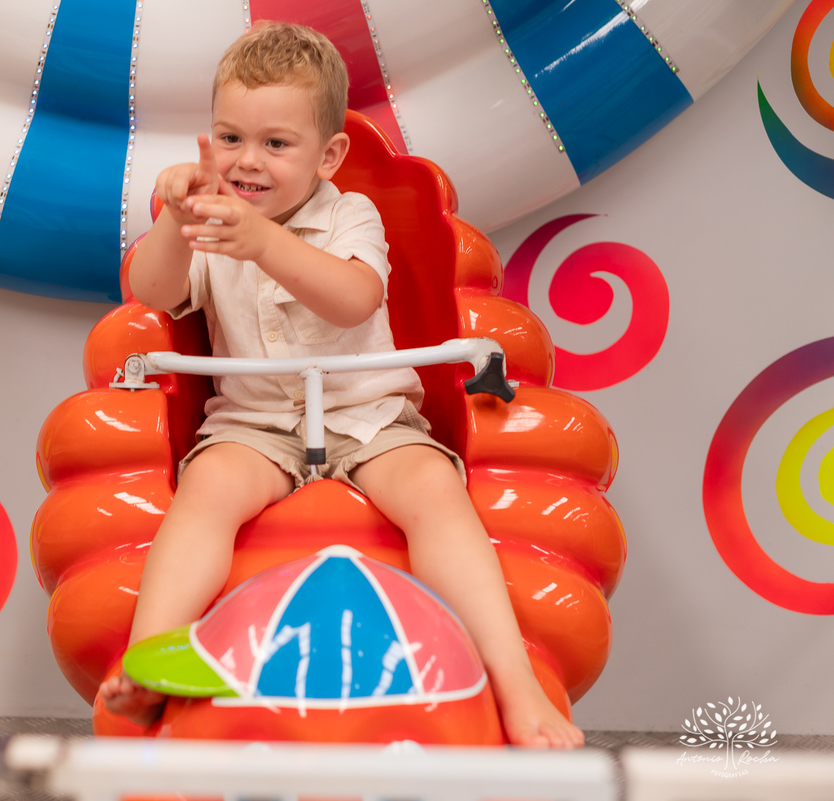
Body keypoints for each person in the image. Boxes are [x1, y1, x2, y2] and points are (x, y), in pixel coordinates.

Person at [100, 21, 584, 749]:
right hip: (254, 427)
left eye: (275, 144)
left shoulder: (350, 214)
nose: (247, 162)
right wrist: (174, 218)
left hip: (370, 417)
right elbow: (154, 290)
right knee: (204, 495)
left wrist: (265, 241)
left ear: (328, 156)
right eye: (230, 139)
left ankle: (516, 687)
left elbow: (353, 299)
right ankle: (151, 664)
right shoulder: (212, 218)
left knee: (436, 496)